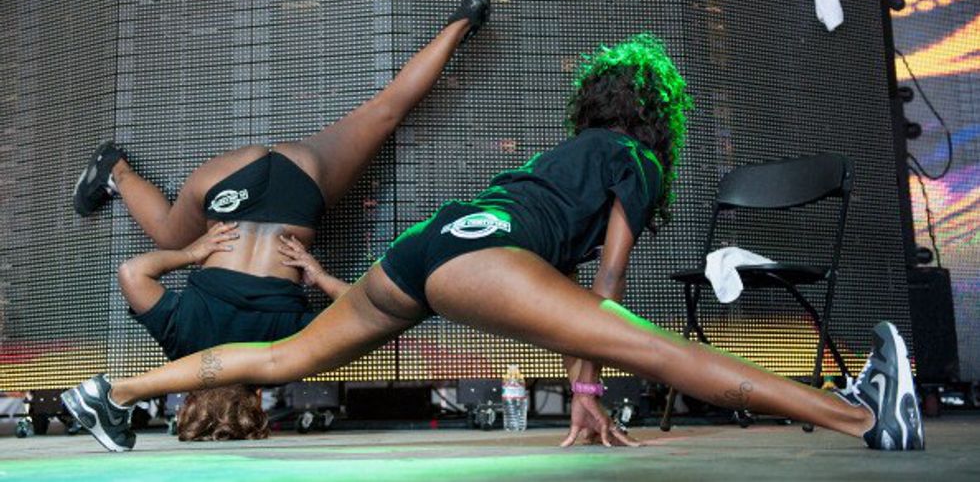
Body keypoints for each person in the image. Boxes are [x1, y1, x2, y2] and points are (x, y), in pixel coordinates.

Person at [62, 34, 924, 452]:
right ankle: (862, 413)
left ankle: (113, 392)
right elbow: (607, 289)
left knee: (282, 357)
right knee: (653, 345)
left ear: (593, 103)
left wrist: (582, 384)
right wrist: (590, 379)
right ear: (657, 118)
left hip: (429, 242)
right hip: (479, 260)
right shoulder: (635, 160)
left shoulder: (565, 154)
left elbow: (576, 298)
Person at [68, 0, 491, 439]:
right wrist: (192, 253)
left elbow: (368, 309)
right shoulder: (182, 345)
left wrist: (318, 275)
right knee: (170, 237)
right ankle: (116, 170)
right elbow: (133, 273)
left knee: (386, 111)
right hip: (228, 188)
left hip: (297, 187)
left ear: (256, 400)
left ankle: (464, 19)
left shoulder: (286, 352)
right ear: (188, 400)